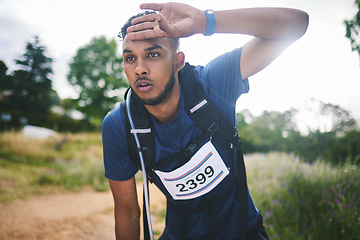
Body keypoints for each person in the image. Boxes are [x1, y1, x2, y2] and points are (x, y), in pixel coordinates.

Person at [102, 2, 308, 240]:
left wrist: (204, 21)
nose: (139, 69)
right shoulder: (119, 124)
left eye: (153, 54)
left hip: (242, 232)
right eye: (130, 58)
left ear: (178, 61)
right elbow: (127, 212)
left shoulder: (212, 83)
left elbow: (296, 24)